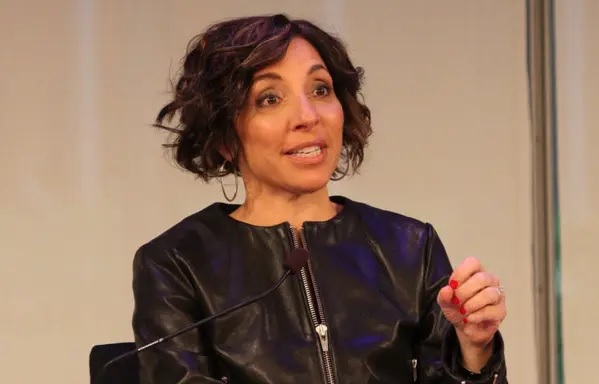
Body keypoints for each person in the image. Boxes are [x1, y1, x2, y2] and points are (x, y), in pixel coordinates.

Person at [132, 13, 508, 384]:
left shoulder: (409, 247)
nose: (307, 116)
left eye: (320, 90)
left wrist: (475, 350)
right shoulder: (177, 263)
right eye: (270, 98)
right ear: (226, 137)